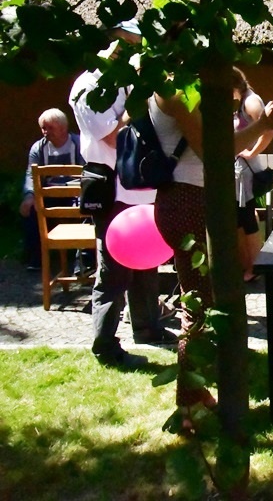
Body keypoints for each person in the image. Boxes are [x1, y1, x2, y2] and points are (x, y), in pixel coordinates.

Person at [151, 84, 273, 426]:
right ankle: (187, 408)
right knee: (196, 307)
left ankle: (196, 395)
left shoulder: (183, 87)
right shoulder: (174, 90)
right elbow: (210, 150)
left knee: (201, 301)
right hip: (186, 201)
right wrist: (263, 125)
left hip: (186, 199)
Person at [69, 20, 172, 366]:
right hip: (112, 187)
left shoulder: (130, 81)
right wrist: (140, 105)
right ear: (109, 45)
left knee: (147, 263)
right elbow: (112, 136)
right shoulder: (89, 86)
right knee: (113, 270)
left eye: (135, 45)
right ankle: (105, 344)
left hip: (140, 186)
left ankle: (147, 327)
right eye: (126, 44)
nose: (131, 52)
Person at [20, 108, 87, 271]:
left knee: (89, 209)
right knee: (31, 209)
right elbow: (31, 174)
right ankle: (37, 258)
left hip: (75, 192)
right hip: (49, 193)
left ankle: (84, 260)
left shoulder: (80, 144)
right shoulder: (38, 148)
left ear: (63, 128)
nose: (46, 132)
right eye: (44, 128)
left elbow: (88, 171)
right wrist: (30, 195)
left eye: (50, 128)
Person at [232, 67, 273, 282]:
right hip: (239, 169)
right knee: (242, 217)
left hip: (246, 170)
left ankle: (256, 266)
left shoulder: (250, 101)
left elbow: (269, 130)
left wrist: (251, 153)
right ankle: (247, 264)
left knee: (247, 216)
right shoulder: (242, 101)